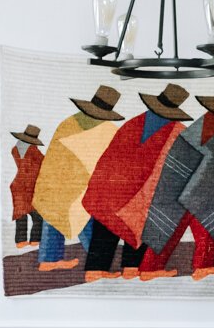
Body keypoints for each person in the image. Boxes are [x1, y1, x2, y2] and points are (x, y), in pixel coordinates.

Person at [139, 77, 214, 280]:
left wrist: (187, 178)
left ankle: (150, 267)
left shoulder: (208, 119)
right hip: (203, 186)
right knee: (207, 225)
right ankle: (201, 266)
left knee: (173, 225)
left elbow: (186, 148)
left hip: (185, 181)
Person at [80, 84, 192, 280]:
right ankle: (131, 267)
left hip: (108, 187)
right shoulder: (177, 131)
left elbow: (109, 157)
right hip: (135, 192)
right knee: (143, 220)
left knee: (107, 224)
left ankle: (96, 269)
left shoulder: (134, 122)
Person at [30, 86, 122, 271]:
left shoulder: (69, 123)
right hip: (69, 182)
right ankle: (89, 261)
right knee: (78, 214)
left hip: (60, 182)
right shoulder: (102, 129)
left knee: (60, 214)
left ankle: (50, 258)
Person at [7, 124, 46, 249]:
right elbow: (44, 163)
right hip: (28, 186)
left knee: (21, 215)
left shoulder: (16, 149)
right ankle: (35, 240)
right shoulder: (32, 150)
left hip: (19, 185)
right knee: (38, 215)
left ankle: (21, 241)